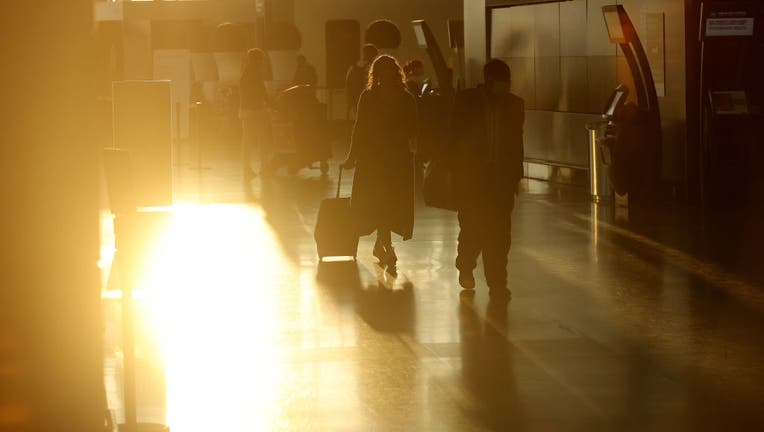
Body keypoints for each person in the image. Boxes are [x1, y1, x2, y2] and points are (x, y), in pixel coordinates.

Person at [450, 59, 524, 300]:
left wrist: (515, 177)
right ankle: (465, 263)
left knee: (499, 236)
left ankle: (497, 284)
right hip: (472, 181)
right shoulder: (467, 101)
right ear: (489, 82)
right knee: (472, 228)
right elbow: (453, 136)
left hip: (500, 182)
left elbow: (516, 144)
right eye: (502, 84)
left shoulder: (514, 106)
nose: (506, 89)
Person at [342, 55, 418, 268]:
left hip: (380, 160)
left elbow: (361, 129)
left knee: (382, 201)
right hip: (386, 160)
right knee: (386, 201)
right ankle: (384, 243)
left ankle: (382, 243)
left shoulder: (371, 97)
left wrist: (352, 157)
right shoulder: (403, 99)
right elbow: (360, 128)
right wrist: (351, 156)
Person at [239, 48, 271, 182]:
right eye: (261, 59)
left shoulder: (245, 72)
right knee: (262, 139)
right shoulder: (255, 73)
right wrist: (270, 102)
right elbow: (261, 90)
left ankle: (247, 169)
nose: (262, 62)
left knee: (247, 141)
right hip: (256, 110)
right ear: (257, 60)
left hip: (246, 110)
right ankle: (264, 168)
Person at [345, 43, 378, 120]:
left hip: (353, 93)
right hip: (364, 94)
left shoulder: (353, 66)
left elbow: (347, 80)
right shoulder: (371, 67)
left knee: (356, 112)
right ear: (373, 54)